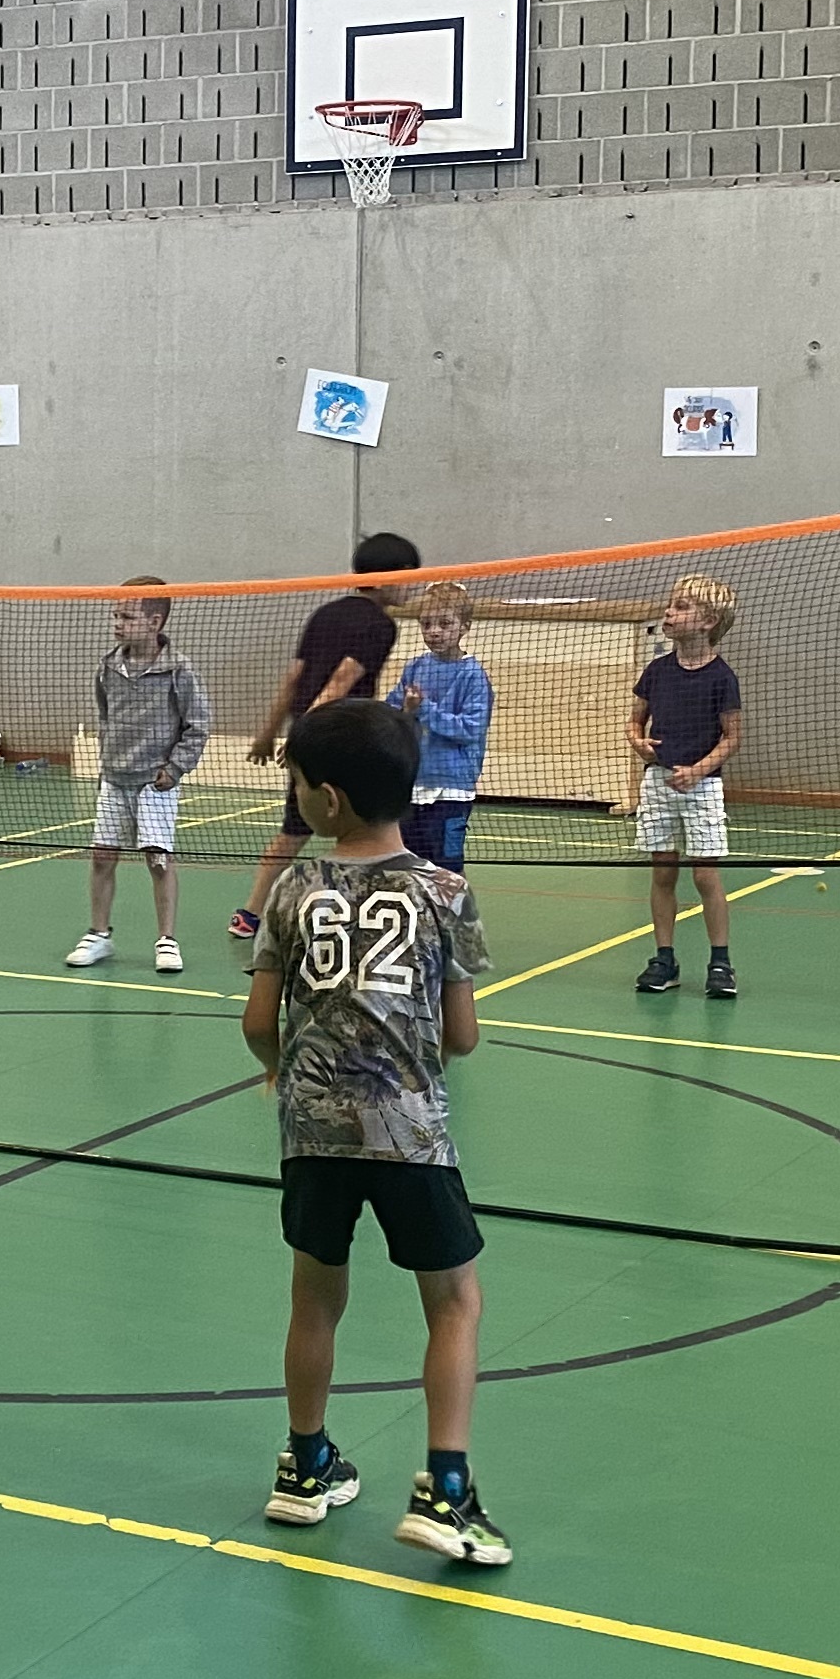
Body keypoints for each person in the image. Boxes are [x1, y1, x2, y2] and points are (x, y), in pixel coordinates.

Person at [246, 699, 507, 1570]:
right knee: (455, 1302)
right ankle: (445, 1489)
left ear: (328, 799)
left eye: (295, 784)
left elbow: (258, 1022)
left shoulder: (290, 889)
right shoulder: (445, 893)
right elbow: (462, 1035)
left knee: (314, 1296)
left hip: (311, 1134)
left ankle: (304, 1465)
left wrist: (281, 1072)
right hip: (410, 1136)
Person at [230, 531, 422, 941]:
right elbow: (339, 683)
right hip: (343, 739)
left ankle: (249, 913)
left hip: (311, 734)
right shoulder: (380, 625)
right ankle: (371, 911)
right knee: (368, 827)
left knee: (293, 832)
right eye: (410, 575)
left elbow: (293, 678)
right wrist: (306, 736)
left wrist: (269, 734)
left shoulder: (325, 614)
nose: (414, 585)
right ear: (389, 576)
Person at [68, 580, 210, 975]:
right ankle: (99, 934)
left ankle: (167, 940)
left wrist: (175, 768)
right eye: (115, 615)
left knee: (158, 861)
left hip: (155, 784)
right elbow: (105, 715)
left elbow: (197, 726)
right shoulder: (108, 667)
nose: (117, 623)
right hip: (114, 780)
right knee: (101, 857)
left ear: (154, 621)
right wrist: (107, 759)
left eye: (127, 617)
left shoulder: (178, 670)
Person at [629, 574, 743, 998]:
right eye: (670, 604)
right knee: (663, 871)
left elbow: (732, 737)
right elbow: (635, 721)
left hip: (702, 787)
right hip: (658, 783)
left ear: (708, 621)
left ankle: (720, 962)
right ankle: (664, 958)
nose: (668, 612)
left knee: (705, 875)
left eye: (680, 607)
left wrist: (698, 771)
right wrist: (638, 743)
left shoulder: (721, 678)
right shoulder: (657, 671)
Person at [388, 581, 492, 868]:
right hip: (412, 785)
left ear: (464, 626)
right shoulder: (415, 668)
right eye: (426, 624)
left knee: (447, 867)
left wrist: (423, 709)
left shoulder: (473, 676)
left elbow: (470, 729)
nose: (434, 631)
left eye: (445, 624)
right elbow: (392, 714)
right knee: (408, 866)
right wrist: (405, 712)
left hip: (451, 791)